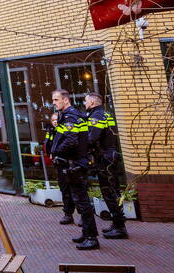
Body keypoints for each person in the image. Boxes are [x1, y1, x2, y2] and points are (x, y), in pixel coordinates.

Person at [49, 89, 98, 250]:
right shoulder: (68, 115)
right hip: (73, 163)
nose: (54, 103)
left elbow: (71, 140)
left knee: (82, 202)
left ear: (66, 100)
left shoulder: (71, 116)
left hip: (75, 164)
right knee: (79, 200)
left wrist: (57, 152)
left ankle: (91, 238)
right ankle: (86, 233)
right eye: (53, 100)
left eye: (56, 100)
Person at [84, 92, 128, 239]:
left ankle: (120, 227)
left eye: (86, 101)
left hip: (105, 158)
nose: (84, 104)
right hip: (111, 156)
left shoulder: (96, 116)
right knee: (112, 190)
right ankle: (117, 223)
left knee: (109, 191)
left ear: (92, 103)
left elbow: (92, 138)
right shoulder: (106, 114)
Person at [44, 112, 75, 224]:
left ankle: (82, 215)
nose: (55, 122)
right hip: (59, 163)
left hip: (69, 162)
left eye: (56, 120)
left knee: (75, 189)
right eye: (53, 120)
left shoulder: (66, 129)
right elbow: (47, 144)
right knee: (64, 189)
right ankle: (68, 214)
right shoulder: (52, 132)